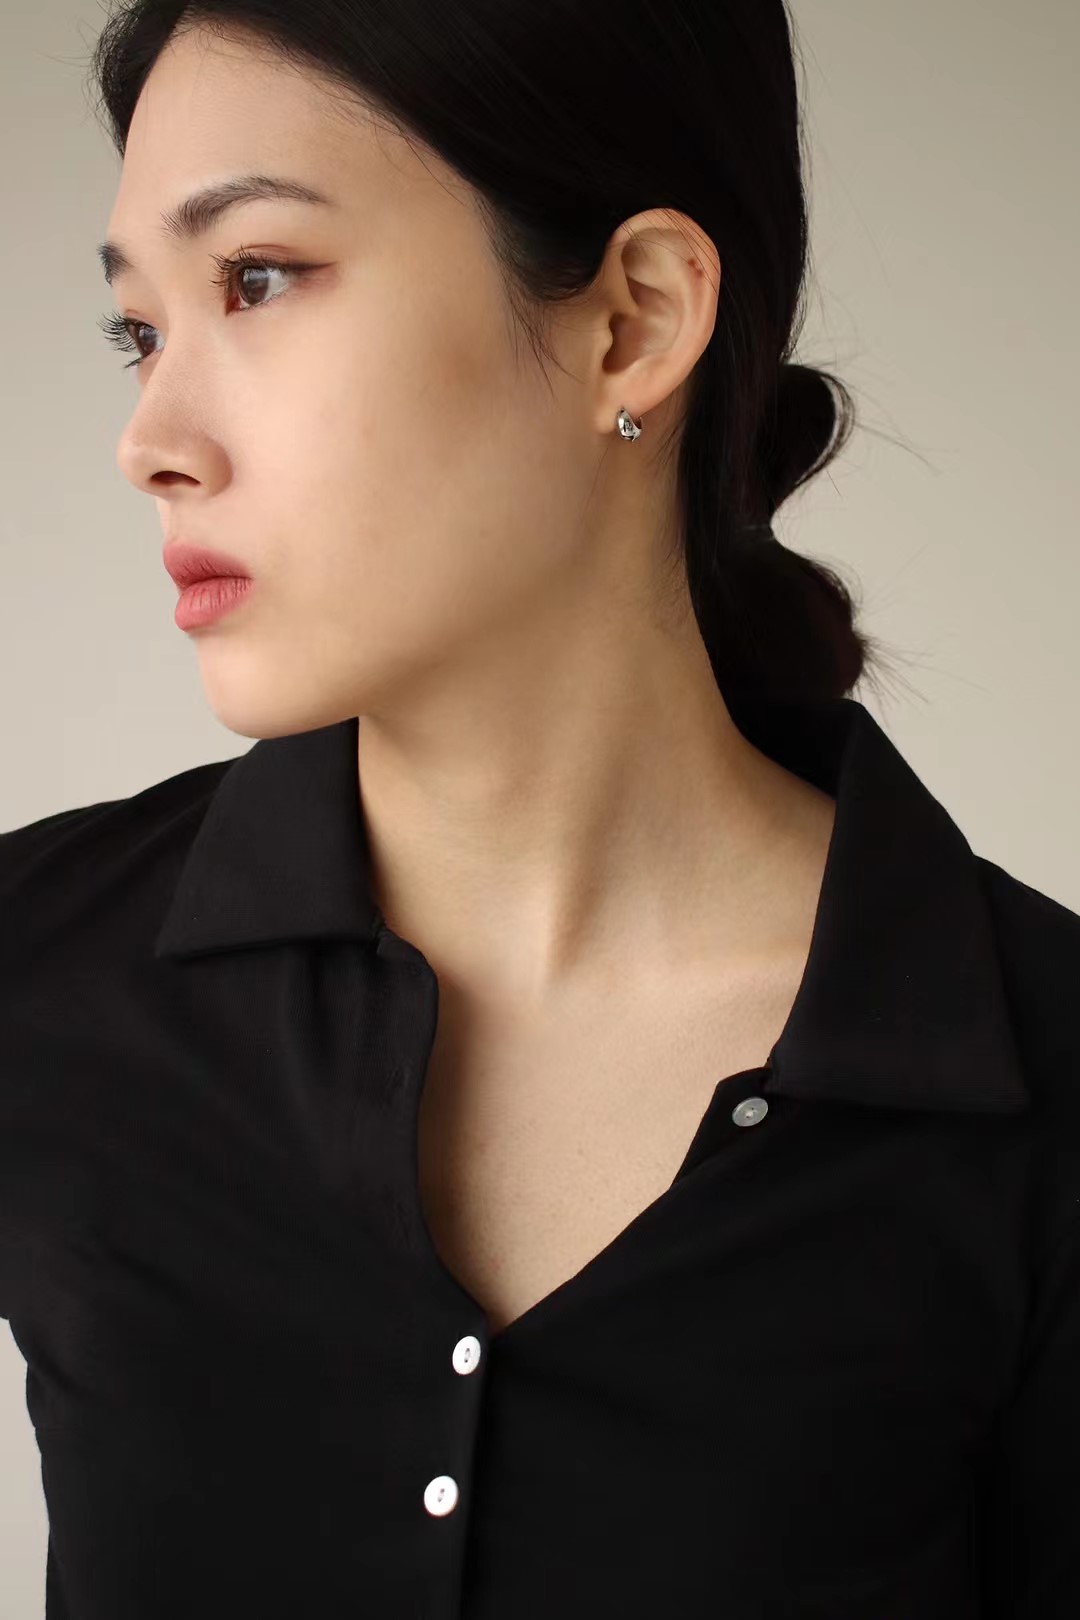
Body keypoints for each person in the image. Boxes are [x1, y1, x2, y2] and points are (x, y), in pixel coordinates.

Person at [2, 2, 1077, 1616]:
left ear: (634, 322)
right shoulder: (39, 970)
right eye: (139, 329)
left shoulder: (1044, 1089)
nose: (150, 442)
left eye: (259, 278)